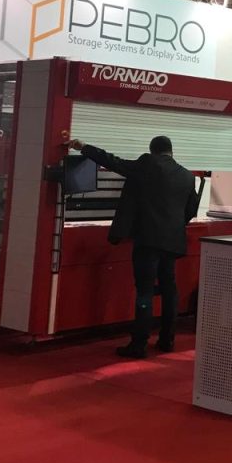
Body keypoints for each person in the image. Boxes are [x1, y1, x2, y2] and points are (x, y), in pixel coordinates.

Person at [69, 136, 198, 359]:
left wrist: (84, 148)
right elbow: (191, 209)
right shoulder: (187, 176)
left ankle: (139, 344)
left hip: (147, 240)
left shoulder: (146, 164)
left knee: (145, 292)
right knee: (169, 290)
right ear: (171, 151)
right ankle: (167, 339)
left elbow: (113, 162)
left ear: (152, 150)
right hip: (172, 242)